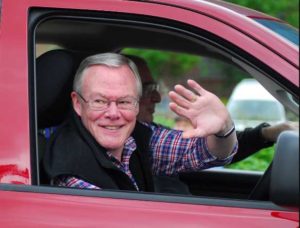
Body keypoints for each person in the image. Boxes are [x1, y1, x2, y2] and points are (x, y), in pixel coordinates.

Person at [43, 53, 237, 192]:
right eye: (100, 101)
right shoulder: (71, 173)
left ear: (137, 104)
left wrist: (223, 128)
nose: (113, 113)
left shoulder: (136, 137)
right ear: (78, 104)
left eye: (124, 102)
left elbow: (208, 153)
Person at [130, 55, 297, 163]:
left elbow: (206, 150)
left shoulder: (148, 136)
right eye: (146, 89)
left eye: (154, 88)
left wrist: (265, 133)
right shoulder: (142, 141)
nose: (157, 98)